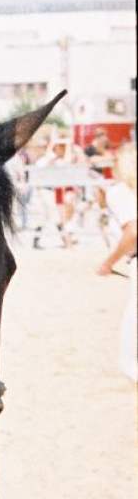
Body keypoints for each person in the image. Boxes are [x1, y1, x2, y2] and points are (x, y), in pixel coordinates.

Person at [95, 143, 137, 382]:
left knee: (134, 313)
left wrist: (109, 262)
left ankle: (131, 366)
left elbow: (133, 231)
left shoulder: (120, 191)